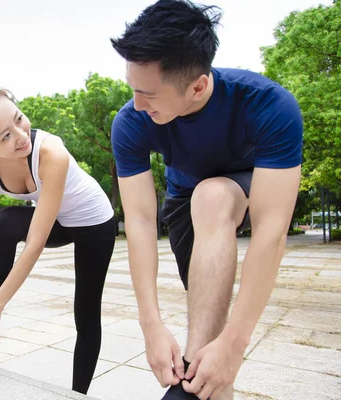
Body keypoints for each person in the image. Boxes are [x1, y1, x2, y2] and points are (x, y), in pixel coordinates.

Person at [109, 1, 303, 399]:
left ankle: (186, 392)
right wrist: (152, 326)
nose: (137, 105)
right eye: (133, 89)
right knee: (211, 345)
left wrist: (236, 343)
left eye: (148, 94)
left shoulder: (269, 105)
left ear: (198, 86)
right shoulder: (131, 122)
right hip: (184, 203)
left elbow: (272, 229)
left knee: (212, 195)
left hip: (249, 190)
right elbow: (142, 222)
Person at [0, 84, 116, 394]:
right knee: (4, 223)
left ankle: (77, 394)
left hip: (93, 223)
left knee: (86, 315)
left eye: (19, 119)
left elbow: (34, 243)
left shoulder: (51, 153)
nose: (20, 136)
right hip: (56, 221)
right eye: (5, 136)